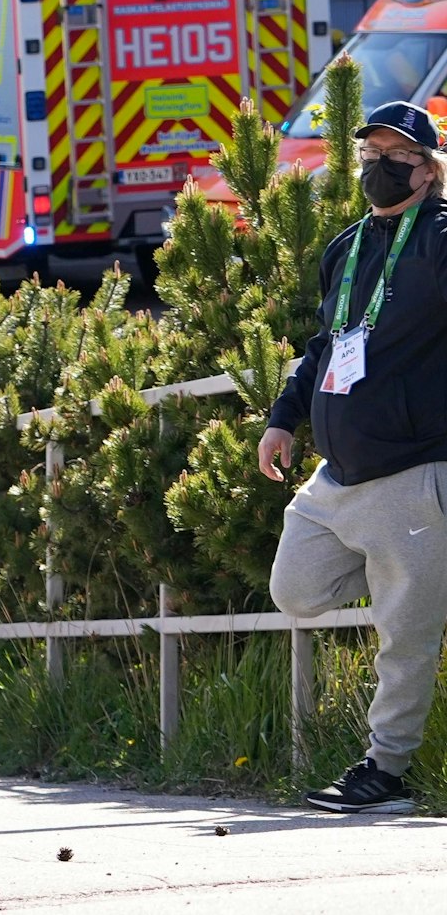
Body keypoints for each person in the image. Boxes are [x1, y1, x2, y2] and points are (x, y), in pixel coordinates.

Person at [259, 99, 447, 815]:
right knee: (295, 588)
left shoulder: (438, 237)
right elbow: (323, 346)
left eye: (396, 156)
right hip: (336, 478)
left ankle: (386, 770)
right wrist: (283, 419)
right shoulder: (347, 246)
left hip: (413, 472)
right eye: (369, 155)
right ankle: (412, 579)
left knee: (406, 634)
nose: (378, 166)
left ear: (427, 171)